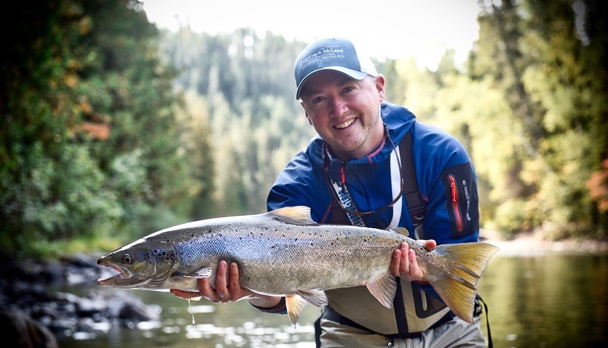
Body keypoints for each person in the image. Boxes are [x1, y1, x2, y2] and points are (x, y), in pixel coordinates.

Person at [171, 37, 485, 347]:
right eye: (319, 99)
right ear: (306, 112)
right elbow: (285, 299)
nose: (337, 108)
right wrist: (249, 290)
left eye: (348, 89)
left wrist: (423, 273)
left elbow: (458, 270)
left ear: (378, 87)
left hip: (450, 331)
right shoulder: (297, 186)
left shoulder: (440, 157)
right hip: (350, 336)